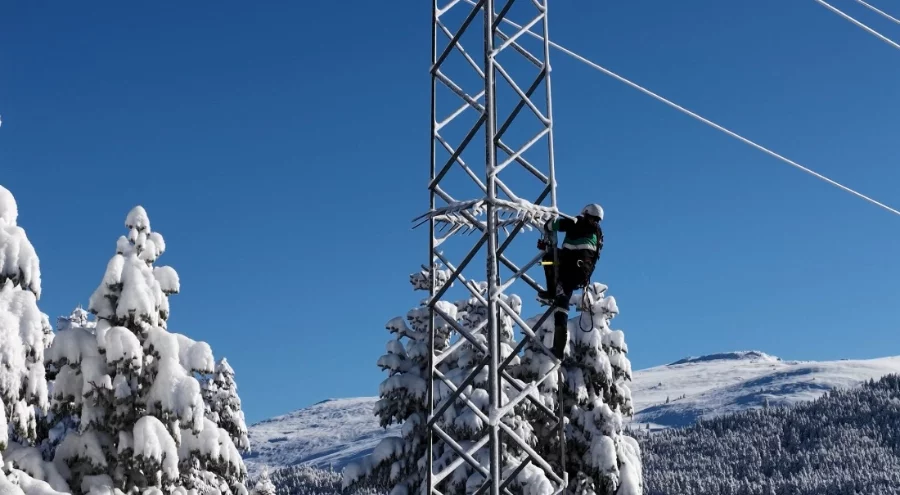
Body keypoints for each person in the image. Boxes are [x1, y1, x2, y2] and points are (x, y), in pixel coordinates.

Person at [538, 203, 604, 359]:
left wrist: (547, 227)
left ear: (585, 213)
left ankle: (551, 291)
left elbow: (552, 225)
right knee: (563, 306)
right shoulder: (598, 233)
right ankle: (559, 349)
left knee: (547, 260)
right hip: (581, 275)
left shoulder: (575, 222)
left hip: (567, 268)